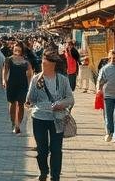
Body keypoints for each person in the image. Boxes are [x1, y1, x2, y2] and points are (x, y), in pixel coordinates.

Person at [27, 53, 75, 181]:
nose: (43, 67)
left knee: (56, 149)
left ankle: (55, 176)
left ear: (53, 65)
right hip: (39, 117)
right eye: (42, 64)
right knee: (42, 149)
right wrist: (34, 88)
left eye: (45, 64)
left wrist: (61, 104)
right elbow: (30, 99)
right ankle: (43, 171)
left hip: (57, 118)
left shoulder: (62, 79)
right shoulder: (36, 78)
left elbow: (70, 98)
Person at [2, 43, 34, 134]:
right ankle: (13, 122)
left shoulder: (26, 61)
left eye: (19, 50)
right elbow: (5, 70)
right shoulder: (9, 59)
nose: (17, 51)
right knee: (12, 103)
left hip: (23, 84)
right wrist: (4, 80)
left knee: (21, 104)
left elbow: (30, 73)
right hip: (11, 84)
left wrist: (29, 85)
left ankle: (18, 124)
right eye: (15, 50)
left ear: (22, 51)